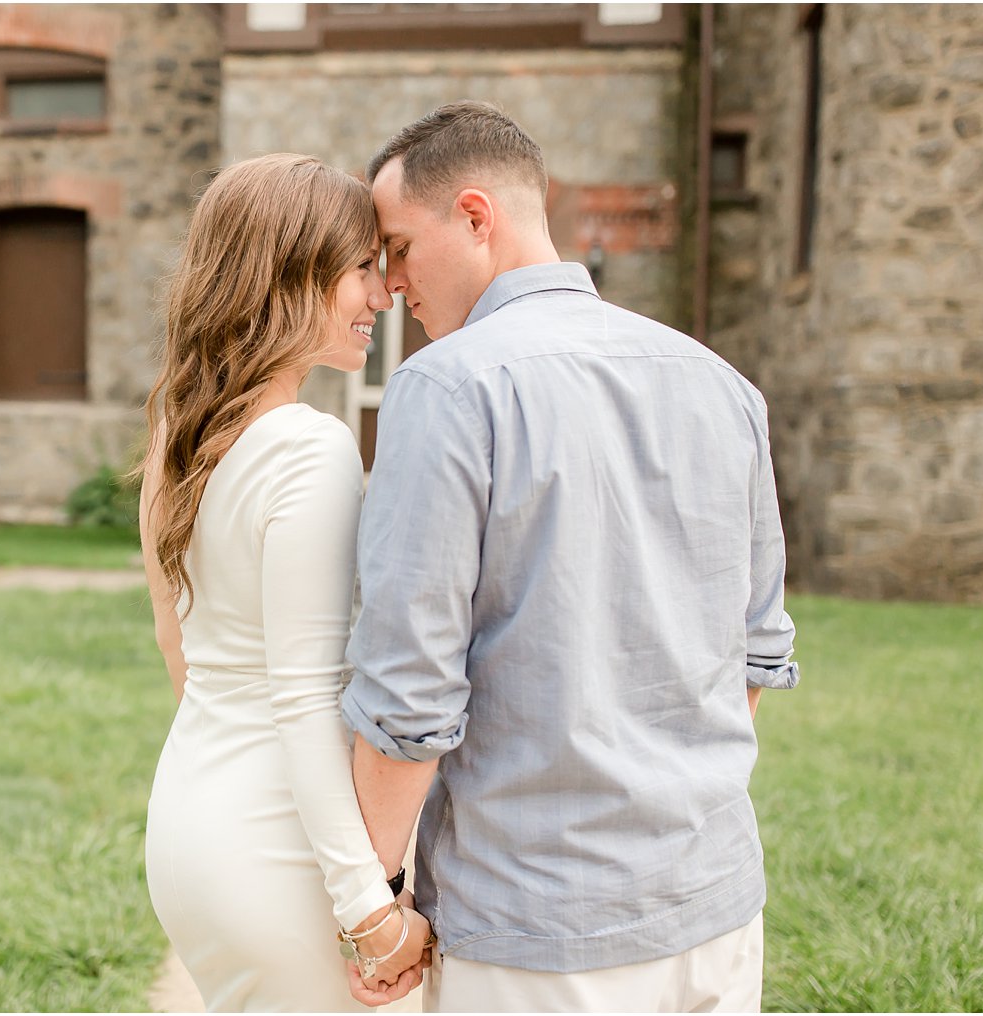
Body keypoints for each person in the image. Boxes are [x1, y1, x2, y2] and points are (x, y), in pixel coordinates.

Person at [340, 101, 801, 1012]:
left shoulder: (447, 386)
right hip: (714, 911)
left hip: (537, 931)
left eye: (396, 246)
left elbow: (410, 696)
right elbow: (757, 653)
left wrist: (372, 900)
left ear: (476, 216)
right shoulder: (722, 385)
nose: (391, 285)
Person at [140, 153, 433, 1012]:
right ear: (289, 273)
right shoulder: (310, 449)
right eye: (359, 269)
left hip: (193, 823)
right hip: (278, 849)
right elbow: (306, 701)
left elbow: (177, 642)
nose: (381, 297)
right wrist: (367, 911)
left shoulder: (178, 435)